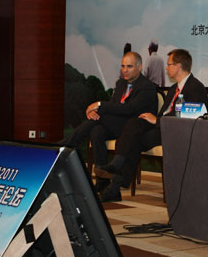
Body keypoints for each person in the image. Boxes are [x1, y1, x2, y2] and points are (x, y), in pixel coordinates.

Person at [95, 49, 208, 202]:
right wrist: (156, 121)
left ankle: (115, 175)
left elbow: (191, 117)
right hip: (161, 127)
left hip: (175, 131)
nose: (166, 68)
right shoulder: (174, 89)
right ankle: (115, 182)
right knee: (133, 127)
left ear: (178, 66)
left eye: (169, 64)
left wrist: (158, 121)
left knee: (133, 138)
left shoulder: (195, 87)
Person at [63, 51, 158, 191]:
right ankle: (102, 180)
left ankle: (67, 145)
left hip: (133, 129)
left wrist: (99, 105)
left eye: (129, 66)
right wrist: (95, 112)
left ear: (139, 67)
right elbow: (113, 106)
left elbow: (129, 109)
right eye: (123, 66)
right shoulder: (121, 83)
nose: (125, 70)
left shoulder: (147, 86)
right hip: (117, 125)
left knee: (100, 119)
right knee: (97, 131)